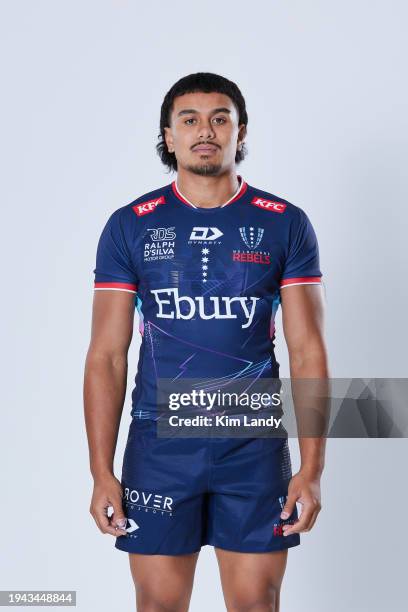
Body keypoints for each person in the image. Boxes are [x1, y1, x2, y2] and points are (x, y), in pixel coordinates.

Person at [84, 72, 328, 611]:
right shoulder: (130, 226)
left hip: (253, 445)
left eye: (221, 118)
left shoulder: (285, 224)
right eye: (189, 119)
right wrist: (102, 472)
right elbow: (106, 355)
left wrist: (311, 470)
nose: (206, 130)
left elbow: (308, 350)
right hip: (160, 448)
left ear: (240, 133)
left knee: (256, 604)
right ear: (168, 136)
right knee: (159, 606)